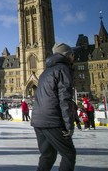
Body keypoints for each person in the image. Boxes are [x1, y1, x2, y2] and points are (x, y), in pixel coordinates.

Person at [31, 42, 76, 171]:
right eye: (72, 55)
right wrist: (68, 125)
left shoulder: (45, 72)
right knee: (69, 154)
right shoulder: (63, 69)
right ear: (66, 55)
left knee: (48, 155)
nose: (74, 58)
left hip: (38, 120)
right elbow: (64, 99)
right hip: (52, 120)